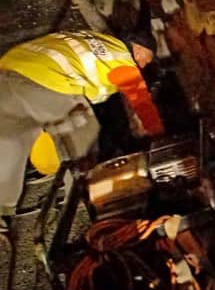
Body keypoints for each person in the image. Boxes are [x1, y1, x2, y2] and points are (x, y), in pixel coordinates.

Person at [0, 30, 157, 220]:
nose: (144, 66)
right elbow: (142, 107)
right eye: (146, 60)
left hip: (8, 69)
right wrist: (156, 138)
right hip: (48, 80)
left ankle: (2, 212)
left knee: (10, 144)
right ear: (139, 50)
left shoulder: (101, 39)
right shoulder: (123, 61)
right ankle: (83, 202)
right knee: (84, 139)